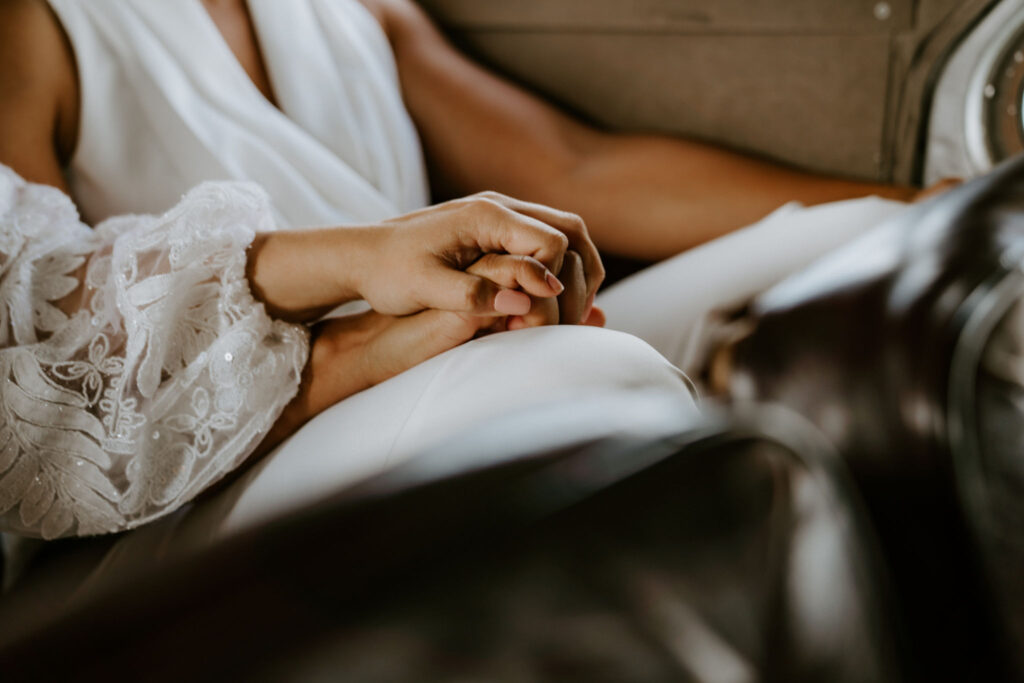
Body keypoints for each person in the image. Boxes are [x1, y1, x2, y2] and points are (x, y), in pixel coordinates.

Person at [0, 0, 940, 545]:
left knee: (887, 250)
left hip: (459, 349)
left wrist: (937, 203)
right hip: (217, 475)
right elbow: (35, 340)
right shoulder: (35, 26)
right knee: (581, 378)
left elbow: (571, 169)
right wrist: (367, 319)